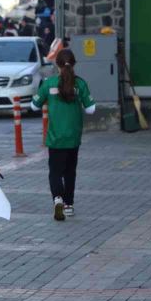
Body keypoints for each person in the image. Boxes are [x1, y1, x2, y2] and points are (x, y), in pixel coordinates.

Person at [30, 49, 96, 221]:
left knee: (55, 172)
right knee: (70, 171)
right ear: (73, 64)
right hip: (73, 137)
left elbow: (34, 106)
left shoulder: (49, 83)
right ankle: (68, 205)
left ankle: (57, 198)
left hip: (55, 137)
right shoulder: (80, 84)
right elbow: (91, 109)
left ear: (56, 64)